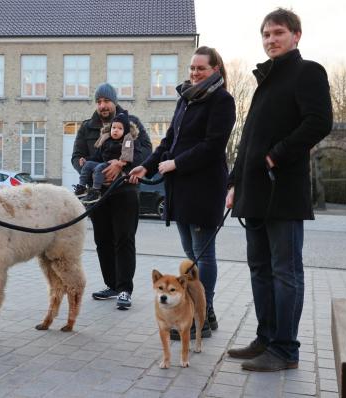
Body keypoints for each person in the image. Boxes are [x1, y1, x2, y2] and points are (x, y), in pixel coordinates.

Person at [225, 8, 332, 371]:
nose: (271, 39)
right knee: (259, 268)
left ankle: (285, 349)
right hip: (252, 192)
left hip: (283, 191)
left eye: (278, 33)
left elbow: (319, 122)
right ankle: (266, 338)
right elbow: (248, 139)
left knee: (285, 270)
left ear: (296, 35)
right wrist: (234, 182)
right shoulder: (264, 82)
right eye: (266, 34)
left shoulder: (308, 72)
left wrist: (276, 156)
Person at [129, 46, 236, 337]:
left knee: (202, 255)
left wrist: (176, 163)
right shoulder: (186, 99)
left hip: (203, 188)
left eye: (201, 68)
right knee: (190, 254)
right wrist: (146, 167)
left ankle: (203, 313)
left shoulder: (222, 101)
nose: (194, 72)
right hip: (181, 190)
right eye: (192, 68)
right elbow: (168, 141)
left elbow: (213, 146)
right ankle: (206, 314)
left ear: (216, 70)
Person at [71, 83, 152, 309]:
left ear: (114, 102)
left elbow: (146, 151)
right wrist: (84, 168)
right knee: (102, 240)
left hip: (125, 191)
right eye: (98, 102)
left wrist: (122, 168)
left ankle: (125, 289)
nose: (102, 105)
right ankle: (112, 285)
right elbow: (77, 155)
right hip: (98, 194)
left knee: (124, 239)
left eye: (106, 101)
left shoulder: (132, 123)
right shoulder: (88, 128)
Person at [74, 111, 137, 204]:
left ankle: (96, 191)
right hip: (103, 163)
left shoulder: (126, 141)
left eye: (120, 128)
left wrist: (122, 162)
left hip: (114, 164)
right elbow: (97, 156)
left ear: (125, 131)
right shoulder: (106, 141)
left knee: (99, 168)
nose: (116, 130)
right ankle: (82, 187)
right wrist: (86, 159)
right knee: (88, 165)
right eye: (114, 127)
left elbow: (128, 154)